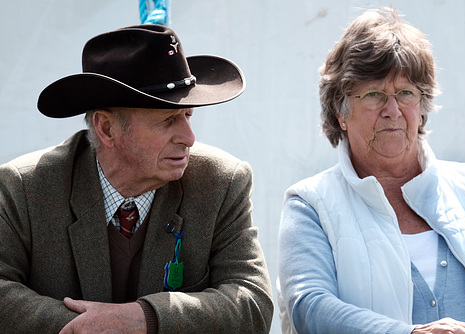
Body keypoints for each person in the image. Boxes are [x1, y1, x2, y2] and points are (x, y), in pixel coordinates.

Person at [0, 24, 273, 333]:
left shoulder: (222, 181)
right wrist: (90, 327)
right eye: (168, 120)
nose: (189, 138)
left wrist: (146, 318)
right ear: (107, 128)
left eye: (188, 116)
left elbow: (253, 303)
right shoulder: (25, 187)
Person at [278, 7, 465, 334]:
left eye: (406, 93)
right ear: (341, 111)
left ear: (422, 110)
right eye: (374, 94)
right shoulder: (310, 204)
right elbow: (309, 306)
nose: (393, 111)